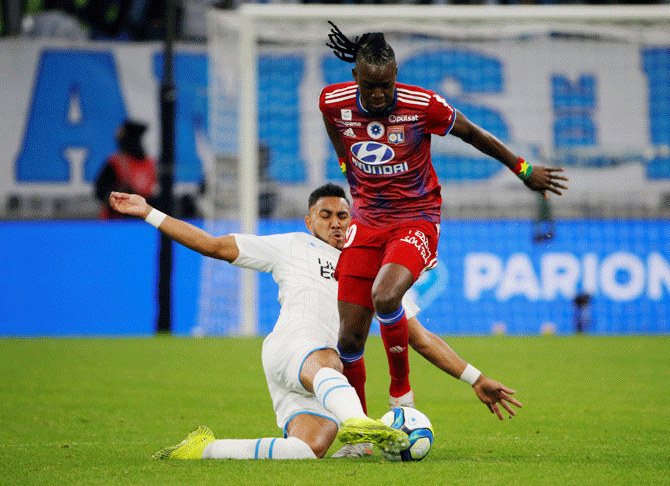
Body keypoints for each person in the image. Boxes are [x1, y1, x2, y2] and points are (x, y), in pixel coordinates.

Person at [109, 183, 522, 459]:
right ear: (309, 221)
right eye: (326, 215)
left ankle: (203, 450)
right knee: (330, 359)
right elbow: (215, 246)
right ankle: (358, 422)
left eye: (343, 216)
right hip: (295, 349)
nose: (336, 223)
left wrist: (475, 378)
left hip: (322, 380)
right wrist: (149, 212)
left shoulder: (374, 269)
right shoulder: (290, 246)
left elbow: (420, 337)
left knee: (309, 450)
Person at [319, 23, 569, 414]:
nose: (381, 93)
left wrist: (522, 169)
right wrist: (344, 162)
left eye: (387, 84)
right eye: (371, 86)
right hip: (366, 220)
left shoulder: (423, 106)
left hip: (416, 217)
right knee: (349, 340)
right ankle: (360, 432)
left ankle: (401, 395)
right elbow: (335, 128)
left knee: (386, 296)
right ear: (356, 78)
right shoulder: (332, 102)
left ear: (396, 75)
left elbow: (472, 133)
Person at [95, 120, 158, 219]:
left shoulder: (150, 164)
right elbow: (100, 191)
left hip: (143, 219)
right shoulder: (116, 163)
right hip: (117, 220)